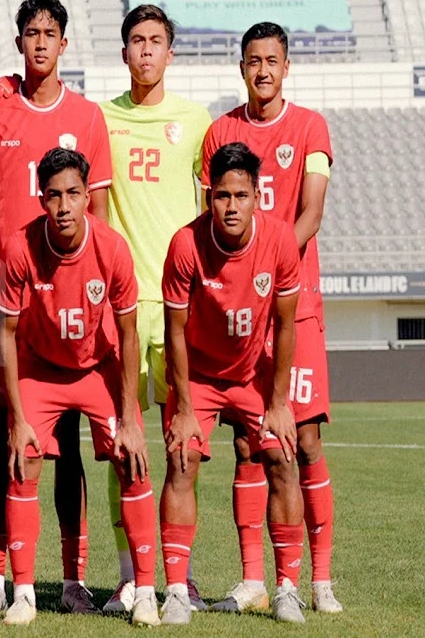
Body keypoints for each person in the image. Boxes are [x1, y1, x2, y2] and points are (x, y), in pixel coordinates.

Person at [0, 0, 112, 616]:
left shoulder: (87, 117)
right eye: (31, 34)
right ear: (19, 42)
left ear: (65, 43)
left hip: (71, 307)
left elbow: (99, 217)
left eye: (51, 34)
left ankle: (73, 574)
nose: (41, 44)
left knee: (72, 445)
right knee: (11, 438)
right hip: (10, 305)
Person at [201, 21, 341, 614]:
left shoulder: (310, 127)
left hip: (294, 306)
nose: (262, 70)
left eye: (272, 60)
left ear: (287, 67)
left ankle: (321, 579)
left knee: (302, 438)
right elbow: (208, 215)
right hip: (238, 314)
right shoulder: (221, 132)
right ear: (241, 67)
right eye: (253, 60)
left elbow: (310, 213)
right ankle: (254, 579)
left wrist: (273, 262)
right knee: (247, 445)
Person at [0, 148, 159, 627]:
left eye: (72, 194)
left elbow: (129, 334)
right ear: (40, 198)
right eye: (53, 196)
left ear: (88, 196)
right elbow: (5, 333)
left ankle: (146, 589)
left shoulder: (111, 248)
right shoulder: (21, 247)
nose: (64, 206)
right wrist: (17, 417)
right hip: (42, 367)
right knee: (24, 459)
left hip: (97, 366)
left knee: (133, 457)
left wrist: (129, 415)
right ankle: (24, 592)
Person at [159, 141, 306, 625]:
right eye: (222, 195)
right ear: (209, 197)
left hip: (252, 374)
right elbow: (174, 331)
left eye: (241, 195)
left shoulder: (281, 241)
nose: (232, 206)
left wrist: (280, 402)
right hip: (198, 375)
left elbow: (286, 326)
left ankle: (286, 588)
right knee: (182, 460)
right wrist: (182, 405)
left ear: (258, 196)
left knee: (283, 457)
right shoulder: (185, 245)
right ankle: (177, 590)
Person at [98, 4, 212, 614]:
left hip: (177, 306)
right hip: (120, 305)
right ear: (124, 53)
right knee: (125, 443)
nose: (145, 51)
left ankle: (177, 575)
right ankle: (127, 572)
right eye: (136, 41)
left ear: (171, 53)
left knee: (181, 445)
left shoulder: (195, 122)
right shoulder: (102, 119)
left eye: (155, 42)